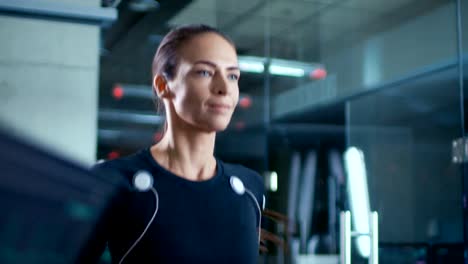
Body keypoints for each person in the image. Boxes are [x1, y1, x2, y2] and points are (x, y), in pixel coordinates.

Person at [81, 24, 265, 264]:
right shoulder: (111, 182)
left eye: (232, 75)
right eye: (205, 72)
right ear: (163, 86)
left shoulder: (250, 188)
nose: (224, 88)